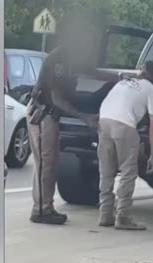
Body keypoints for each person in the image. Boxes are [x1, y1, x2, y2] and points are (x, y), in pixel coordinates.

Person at [27, 12, 115, 225]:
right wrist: (84, 117)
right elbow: (56, 98)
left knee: (51, 162)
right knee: (45, 164)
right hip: (43, 113)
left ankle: (45, 206)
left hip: (51, 115)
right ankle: (41, 209)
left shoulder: (74, 58)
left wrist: (121, 77)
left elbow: (94, 72)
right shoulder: (57, 58)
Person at [97, 61, 153, 230]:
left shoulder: (123, 82)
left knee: (106, 170)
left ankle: (105, 214)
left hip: (103, 121)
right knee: (128, 172)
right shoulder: (152, 90)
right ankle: (123, 217)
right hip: (124, 125)